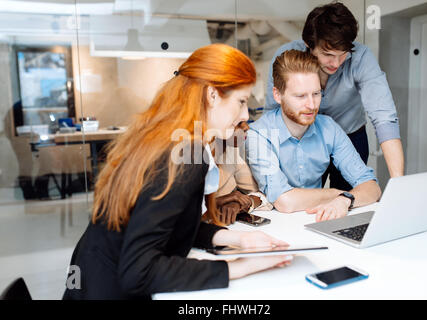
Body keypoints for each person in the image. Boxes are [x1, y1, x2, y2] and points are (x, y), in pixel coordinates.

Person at [62, 44, 293, 300]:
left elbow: (167, 224)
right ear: (212, 95)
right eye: (240, 101)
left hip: (90, 277)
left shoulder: (164, 137)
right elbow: (139, 272)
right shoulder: (185, 157)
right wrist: (240, 267)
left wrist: (236, 239)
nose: (245, 115)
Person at [265, 2, 404, 191]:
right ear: (308, 45)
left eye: (343, 54)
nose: (336, 62)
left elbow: (384, 117)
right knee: (306, 200)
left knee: (349, 198)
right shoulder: (288, 57)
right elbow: (273, 114)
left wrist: (398, 184)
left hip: (350, 135)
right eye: (327, 54)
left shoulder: (361, 57)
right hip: (304, 138)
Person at [247, 49, 381, 222]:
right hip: (274, 226)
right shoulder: (259, 134)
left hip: (319, 220)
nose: (311, 105)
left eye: (316, 94)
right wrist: (338, 194)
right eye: (300, 96)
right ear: (277, 95)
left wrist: (345, 200)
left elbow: (372, 187)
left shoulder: (329, 128)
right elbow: (285, 201)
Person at [213, 121, 273, 226]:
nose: (246, 127)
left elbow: (262, 193)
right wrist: (215, 202)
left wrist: (243, 202)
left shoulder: (231, 153)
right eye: (237, 122)